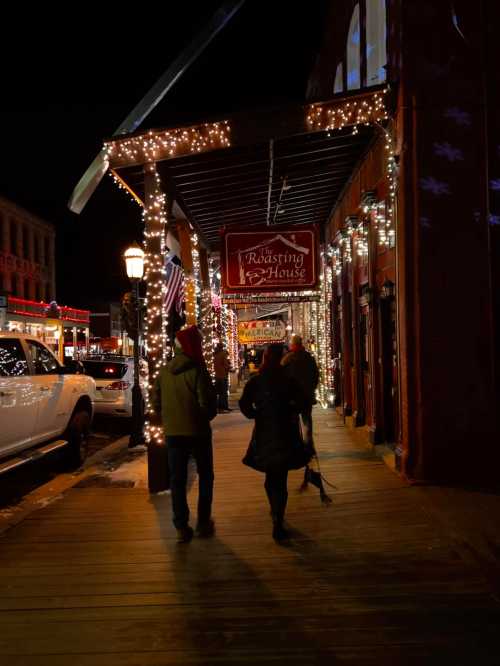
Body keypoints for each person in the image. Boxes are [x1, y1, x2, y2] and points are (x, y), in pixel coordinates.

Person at [152, 326, 217, 543]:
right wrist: (205, 415)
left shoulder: (164, 371)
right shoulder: (198, 370)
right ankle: (203, 522)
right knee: (206, 476)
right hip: (198, 432)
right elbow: (207, 404)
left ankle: (181, 525)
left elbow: (155, 402)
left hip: (173, 433)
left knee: (177, 480)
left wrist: (168, 419)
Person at [239, 343, 306, 541]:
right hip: (286, 434)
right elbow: (302, 401)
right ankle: (278, 516)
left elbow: (244, 404)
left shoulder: (257, 381)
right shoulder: (288, 380)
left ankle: (276, 513)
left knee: (271, 477)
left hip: (265, 433)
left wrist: (255, 414)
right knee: (281, 478)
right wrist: (292, 410)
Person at [281, 334, 319, 446]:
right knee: (307, 420)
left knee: (293, 421)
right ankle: (308, 445)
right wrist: (311, 388)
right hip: (306, 395)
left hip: (293, 396)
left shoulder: (287, 359)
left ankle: (296, 445)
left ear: (292, 344)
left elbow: (283, 377)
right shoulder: (308, 358)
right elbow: (315, 375)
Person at [213, 342, 231, 413]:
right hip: (223, 375)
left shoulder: (215, 354)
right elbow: (226, 365)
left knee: (219, 393)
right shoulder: (223, 354)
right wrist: (229, 367)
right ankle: (224, 407)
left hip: (217, 375)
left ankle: (220, 407)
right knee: (224, 392)